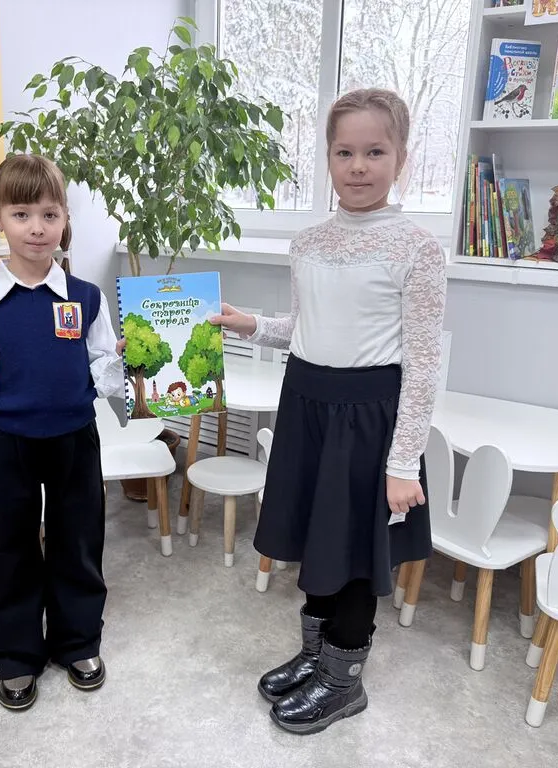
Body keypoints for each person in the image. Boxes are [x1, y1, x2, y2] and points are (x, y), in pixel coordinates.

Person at [211, 88, 446, 734]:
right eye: (345, 152)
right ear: (328, 158)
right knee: (316, 537)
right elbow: (304, 327)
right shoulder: (309, 243)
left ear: (401, 157)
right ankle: (316, 656)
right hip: (306, 406)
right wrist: (250, 324)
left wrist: (403, 462)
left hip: (368, 420)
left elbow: (424, 364)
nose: (358, 166)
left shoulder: (417, 248)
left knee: (354, 553)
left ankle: (344, 681)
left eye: (375, 151)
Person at [0, 154, 126, 711]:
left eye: (49, 214)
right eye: (21, 214)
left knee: (79, 543)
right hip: (8, 445)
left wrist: (124, 362)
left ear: (65, 219)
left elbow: (102, 372)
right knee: (10, 551)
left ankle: (78, 642)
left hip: (75, 441)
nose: (37, 228)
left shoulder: (86, 296)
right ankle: (18, 654)